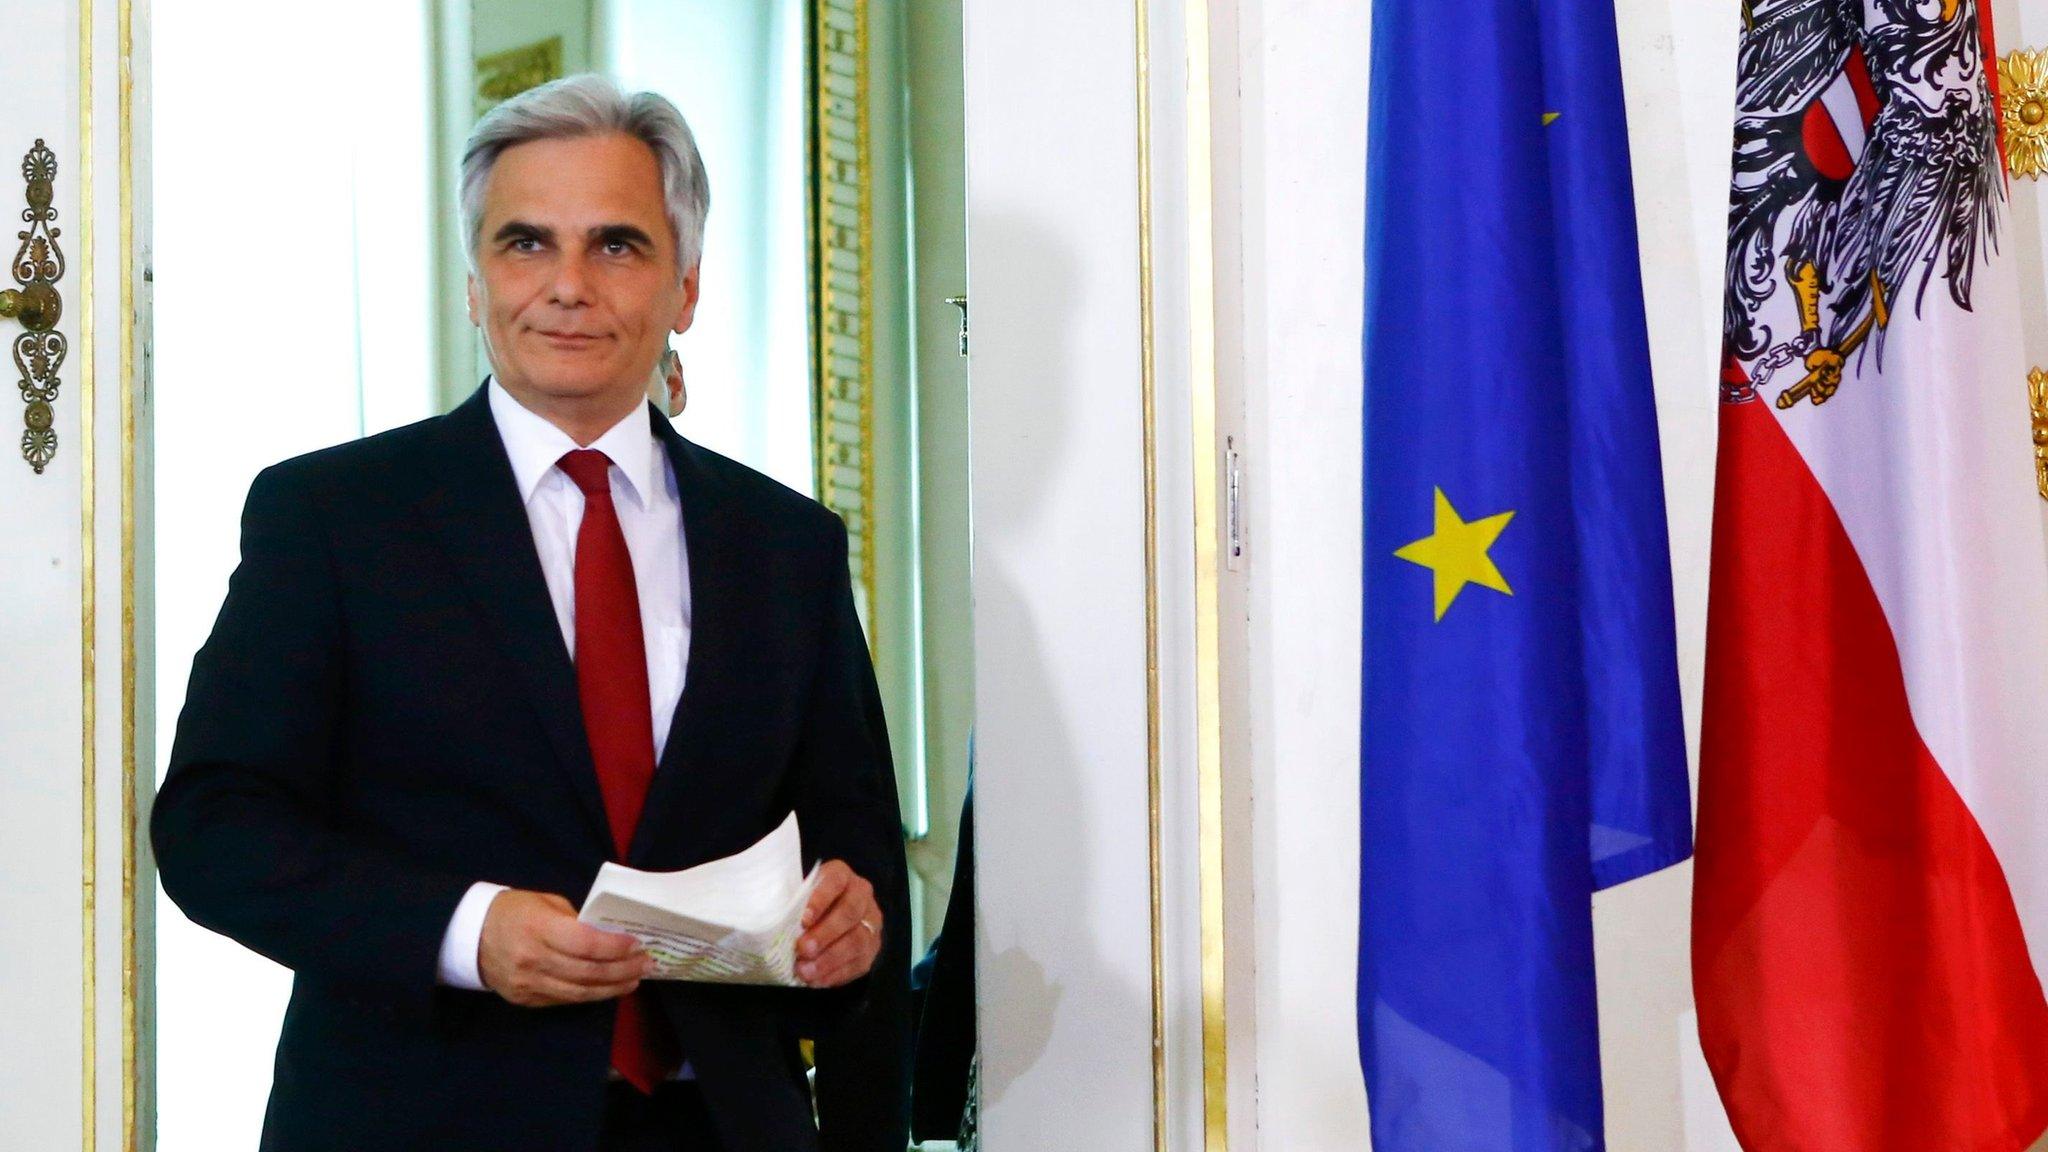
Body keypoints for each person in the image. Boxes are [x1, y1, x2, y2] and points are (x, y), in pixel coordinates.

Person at [150, 74, 910, 1152]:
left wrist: (852, 932)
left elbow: (854, 854)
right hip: (419, 1120)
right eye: (524, 244)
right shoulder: (333, 517)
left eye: (615, 245)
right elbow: (214, 829)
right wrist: (465, 930)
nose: (565, 286)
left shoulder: (786, 546)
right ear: (473, 282)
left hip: (720, 1125)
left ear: (685, 286)